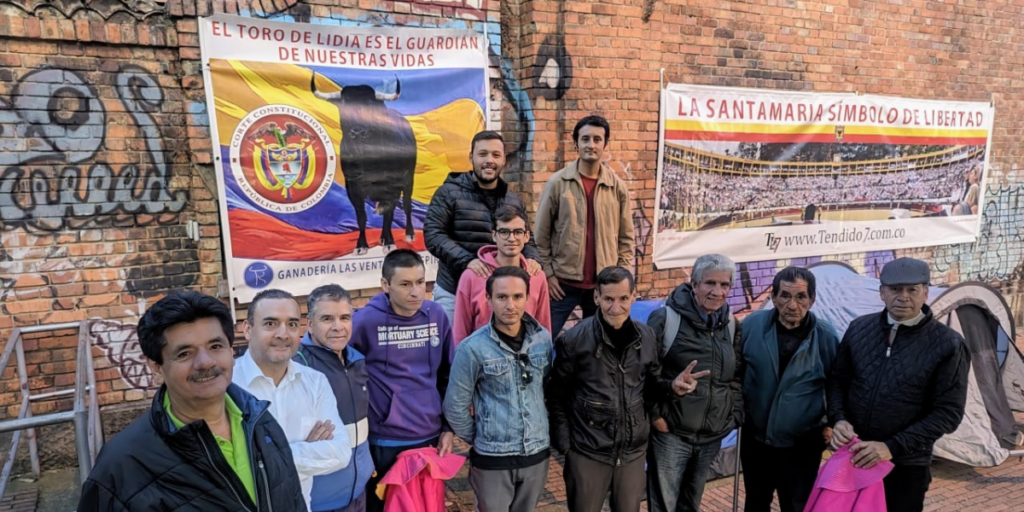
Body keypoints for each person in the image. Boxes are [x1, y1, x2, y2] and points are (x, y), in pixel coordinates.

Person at [78, 291, 306, 511]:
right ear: (156, 367)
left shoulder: (260, 421)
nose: (205, 362)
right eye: (184, 353)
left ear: (231, 351)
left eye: (215, 347)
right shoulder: (121, 466)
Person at [548, 266, 705, 512]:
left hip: (632, 454)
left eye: (623, 298)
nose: (615, 307)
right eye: (608, 299)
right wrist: (567, 447)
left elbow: (651, 387)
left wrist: (672, 388)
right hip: (587, 452)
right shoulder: (574, 341)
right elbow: (556, 396)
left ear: (633, 296)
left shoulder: (647, 336)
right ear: (596, 297)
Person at [828, 257, 970, 512]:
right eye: (895, 289)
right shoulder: (859, 328)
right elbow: (838, 381)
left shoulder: (948, 343)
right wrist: (838, 419)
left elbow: (948, 413)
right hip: (854, 457)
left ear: (925, 293)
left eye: (912, 289)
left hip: (905, 466)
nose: (903, 297)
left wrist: (890, 447)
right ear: (882, 292)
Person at [349, 248, 456, 512]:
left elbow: (448, 374)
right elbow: (347, 373)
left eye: (420, 282)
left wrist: (449, 427)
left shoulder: (436, 315)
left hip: (428, 433)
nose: (415, 291)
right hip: (385, 438)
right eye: (405, 284)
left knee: (426, 505)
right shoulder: (365, 321)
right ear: (385, 285)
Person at [444, 266, 553, 512]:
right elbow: (455, 406)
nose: (510, 305)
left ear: (527, 297)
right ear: (489, 298)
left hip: (536, 454)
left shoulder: (542, 339)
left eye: (517, 296)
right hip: (493, 460)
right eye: (502, 297)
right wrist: (481, 435)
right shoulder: (472, 348)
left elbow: (545, 389)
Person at [233, 289, 352, 511]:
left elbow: (341, 453)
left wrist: (261, 457)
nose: (283, 333)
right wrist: (306, 451)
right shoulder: (228, 384)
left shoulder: (315, 382)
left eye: (292, 324)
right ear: (247, 329)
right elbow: (227, 465)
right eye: (270, 324)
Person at [646, 253, 744, 512]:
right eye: (710, 283)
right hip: (672, 434)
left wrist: (732, 414)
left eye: (724, 285)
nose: (717, 291)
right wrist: (657, 416)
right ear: (694, 284)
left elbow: (735, 377)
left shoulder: (732, 324)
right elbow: (643, 374)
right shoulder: (666, 319)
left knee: (691, 504)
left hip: (711, 435)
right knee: (664, 505)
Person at [740, 266, 839, 512]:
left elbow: (836, 383)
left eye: (800, 297)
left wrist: (831, 422)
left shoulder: (825, 336)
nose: (792, 305)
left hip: (802, 444)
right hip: (756, 440)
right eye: (785, 295)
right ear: (773, 297)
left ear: (812, 299)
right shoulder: (752, 325)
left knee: (795, 506)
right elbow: (736, 372)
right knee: (755, 503)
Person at [425, 130, 543, 322]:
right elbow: (433, 235)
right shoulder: (448, 192)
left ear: (504, 159)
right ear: (471, 157)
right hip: (453, 291)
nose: (489, 160)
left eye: (496, 155)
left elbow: (526, 238)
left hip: (499, 296)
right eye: (483, 154)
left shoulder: (513, 200)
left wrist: (533, 258)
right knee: (454, 350)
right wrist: (467, 261)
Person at [535, 115, 635, 337]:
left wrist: (622, 275)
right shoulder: (557, 183)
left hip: (603, 285)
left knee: (600, 342)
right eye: (586, 139)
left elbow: (626, 239)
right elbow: (539, 236)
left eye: (597, 139)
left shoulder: (616, 187)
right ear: (576, 144)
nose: (591, 145)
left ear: (604, 145)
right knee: (541, 339)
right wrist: (548, 274)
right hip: (562, 284)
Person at [293, 284, 375, 512]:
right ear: (309, 323)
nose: (338, 327)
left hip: (359, 489)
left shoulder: (357, 359)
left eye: (345, 317)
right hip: (321, 499)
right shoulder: (297, 367)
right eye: (327, 318)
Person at [453, 204, 551, 343]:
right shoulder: (472, 276)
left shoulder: (536, 276)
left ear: (527, 236)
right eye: (504, 232)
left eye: (518, 232)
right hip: (483, 359)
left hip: (526, 359)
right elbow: (460, 332)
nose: (511, 239)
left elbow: (543, 327)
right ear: (494, 235)